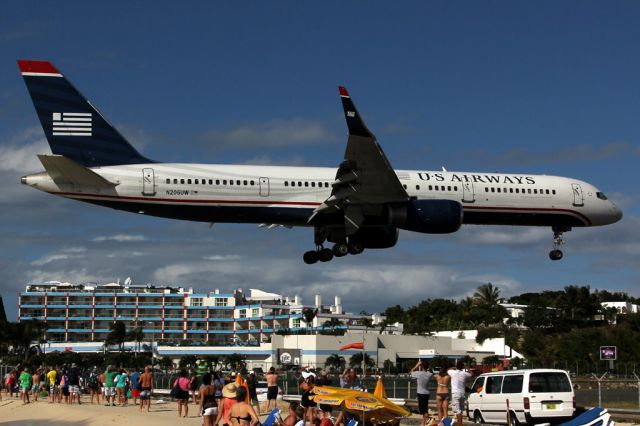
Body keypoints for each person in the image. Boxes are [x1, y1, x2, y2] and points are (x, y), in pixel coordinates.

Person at [448, 362, 476, 426]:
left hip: (455, 393)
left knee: (458, 412)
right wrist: (467, 368)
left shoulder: (452, 372)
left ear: (456, 366)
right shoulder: (464, 373)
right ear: (462, 367)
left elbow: (448, 370)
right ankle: (460, 424)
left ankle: (460, 425)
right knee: (460, 411)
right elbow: (472, 374)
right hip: (462, 394)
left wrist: (454, 367)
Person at [410, 360, 434, 426]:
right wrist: (427, 366)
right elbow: (432, 372)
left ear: (422, 366)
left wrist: (417, 365)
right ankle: (423, 423)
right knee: (424, 408)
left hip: (420, 393)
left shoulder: (418, 373)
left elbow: (411, 372)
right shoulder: (429, 374)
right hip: (426, 393)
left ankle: (425, 422)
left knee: (423, 410)